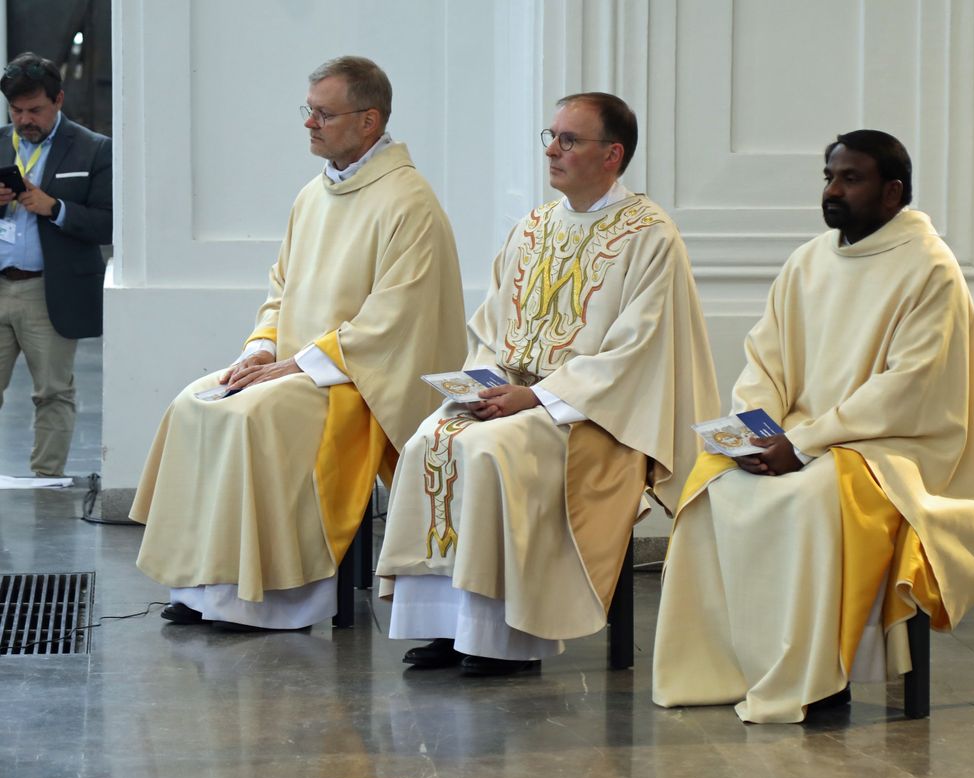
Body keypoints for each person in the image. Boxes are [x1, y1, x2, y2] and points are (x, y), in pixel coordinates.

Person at [652, 130, 974, 723]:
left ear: (892, 191)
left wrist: (799, 446)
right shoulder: (809, 260)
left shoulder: (930, 267)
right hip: (802, 435)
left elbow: (908, 387)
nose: (832, 190)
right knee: (714, 486)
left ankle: (819, 676)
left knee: (811, 498)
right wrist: (757, 429)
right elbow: (766, 359)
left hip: (896, 445)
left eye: (850, 178)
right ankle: (725, 668)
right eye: (829, 176)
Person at [375, 92, 719, 675]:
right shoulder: (533, 228)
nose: (553, 151)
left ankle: (503, 637)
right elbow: (490, 327)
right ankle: (446, 625)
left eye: (569, 140)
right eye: (551, 136)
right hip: (515, 397)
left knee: (486, 452)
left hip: (591, 417)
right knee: (428, 442)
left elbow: (637, 352)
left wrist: (534, 397)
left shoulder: (650, 235)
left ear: (612, 155)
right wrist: (483, 386)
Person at [131, 56, 467, 631]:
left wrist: (297, 366)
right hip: (294, 366)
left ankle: (265, 598)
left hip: (354, 383)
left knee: (249, 419)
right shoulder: (314, 195)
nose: (309, 123)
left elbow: (393, 323)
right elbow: (280, 290)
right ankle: (201, 586)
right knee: (193, 403)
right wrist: (260, 351)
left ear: (369, 120)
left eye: (323, 113)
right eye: (308, 111)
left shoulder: (409, 203)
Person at [0, 52, 112, 477]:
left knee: (52, 392)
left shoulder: (93, 149)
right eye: (16, 110)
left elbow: (108, 223)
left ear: (59, 100)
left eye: (35, 110)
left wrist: (55, 207)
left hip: (48, 290)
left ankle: (46, 480)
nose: (25, 119)